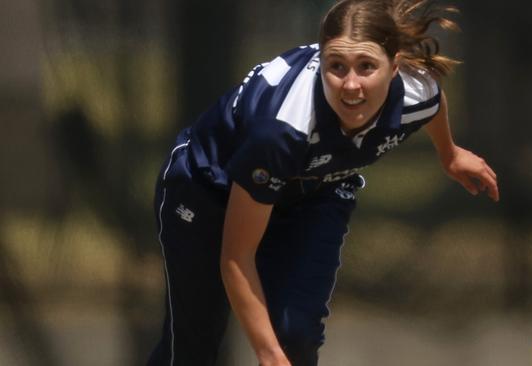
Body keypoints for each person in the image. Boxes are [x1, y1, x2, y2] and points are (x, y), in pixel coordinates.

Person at [147, 0, 499, 365]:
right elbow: (236, 257)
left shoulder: (416, 90)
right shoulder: (283, 130)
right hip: (208, 189)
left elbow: (433, 101)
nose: (350, 86)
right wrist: (268, 355)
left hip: (311, 191)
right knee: (192, 348)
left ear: (394, 67)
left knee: (295, 337)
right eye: (336, 67)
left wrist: (450, 154)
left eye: (366, 67)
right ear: (322, 64)